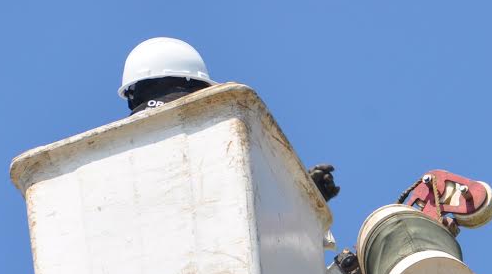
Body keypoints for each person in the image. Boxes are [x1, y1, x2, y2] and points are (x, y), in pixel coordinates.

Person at [118, 37, 339, 201]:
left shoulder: (106, 160)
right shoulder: (217, 144)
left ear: (131, 97)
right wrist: (303, 199)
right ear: (194, 88)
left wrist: (305, 199)